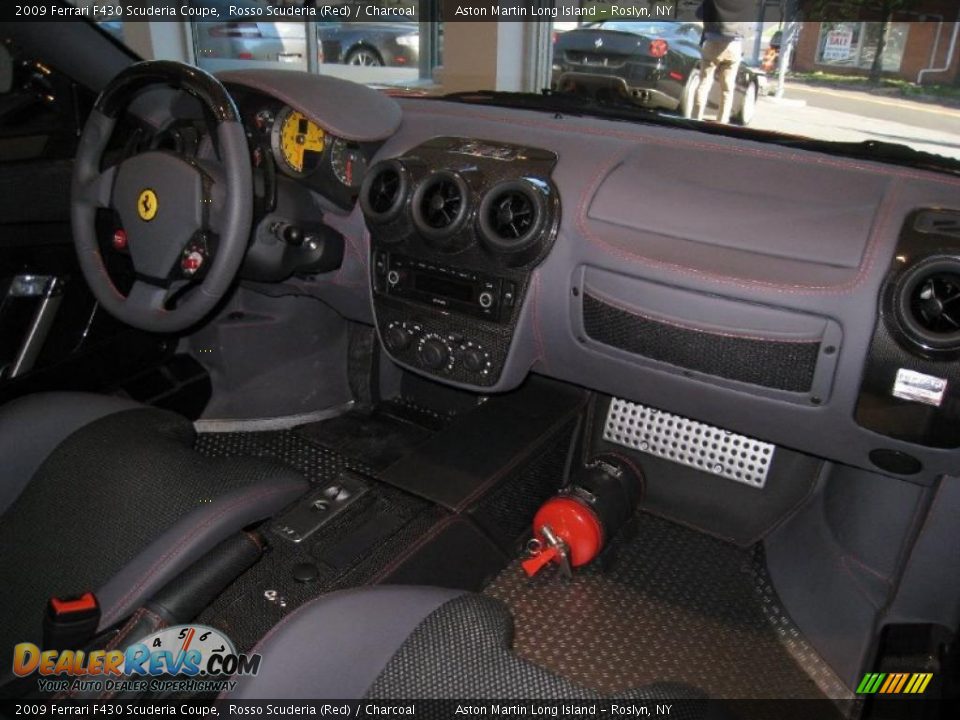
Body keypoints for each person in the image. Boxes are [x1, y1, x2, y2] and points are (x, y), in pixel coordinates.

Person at [693, 1, 754, 123]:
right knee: (727, 88)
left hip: (712, 43)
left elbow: (699, 14)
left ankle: (696, 119)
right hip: (733, 45)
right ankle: (722, 122)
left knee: (704, 83)